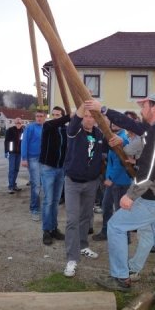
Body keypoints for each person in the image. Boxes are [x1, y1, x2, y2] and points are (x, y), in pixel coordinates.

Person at [85, 93, 155, 310]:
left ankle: (122, 277)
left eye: (144, 105)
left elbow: (152, 169)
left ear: (154, 107)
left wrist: (131, 195)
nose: (141, 108)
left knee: (115, 226)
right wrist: (138, 159)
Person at [63, 103, 104, 278]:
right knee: (72, 219)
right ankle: (72, 258)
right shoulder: (75, 131)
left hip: (91, 182)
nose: (89, 119)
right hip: (73, 182)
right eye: (86, 116)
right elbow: (73, 123)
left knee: (86, 218)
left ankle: (83, 245)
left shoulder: (100, 134)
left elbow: (109, 149)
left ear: (96, 119)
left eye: (92, 116)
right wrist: (82, 106)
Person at [92, 122, 131, 241]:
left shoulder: (121, 139)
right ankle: (107, 231)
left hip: (119, 181)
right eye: (113, 122)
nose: (114, 124)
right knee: (106, 206)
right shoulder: (114, 137)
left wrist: (110, 178)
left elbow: (121, 162)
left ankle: (124, 236)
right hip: (114, 180)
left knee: (120, 210)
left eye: (118, 122)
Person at [39, 106, 70, 245]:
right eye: (54, 114)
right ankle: (46, 230)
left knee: (56, 201)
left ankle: (54, 228)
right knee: (48, 200)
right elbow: (55, 123)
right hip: (48, 168)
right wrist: (70, 116)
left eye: (58, 114)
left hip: (61, 169)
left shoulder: (66, 130)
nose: (55, 116)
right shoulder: (48, 126)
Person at [21, 110, 46, 221]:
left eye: (41, 116)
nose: (39, 118)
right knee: (36, 184)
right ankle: (34, 209)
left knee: (44, 184)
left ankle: (43, 208)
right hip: (33, 159)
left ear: (45, 117)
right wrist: (24, 158)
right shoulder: (30, 128)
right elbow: (24, 142)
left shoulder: (46, 127)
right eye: (37, 116)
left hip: (44, 160)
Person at [4, 118, 24, 194]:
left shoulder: (23, 131)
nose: (18, 124)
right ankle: (10, 187)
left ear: (21, 123)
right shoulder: (10, 130)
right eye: (17, 123)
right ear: (15, 123)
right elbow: (6, 141)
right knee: (12, 170)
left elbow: (23, 141)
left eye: (20, 123)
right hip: (12, 153)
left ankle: (14, 184)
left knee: (16, 169)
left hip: (19, 152)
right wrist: (6, 151)